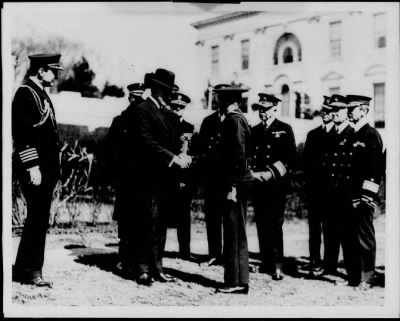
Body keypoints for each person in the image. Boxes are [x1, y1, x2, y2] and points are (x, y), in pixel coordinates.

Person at [129, 68, 191, 286]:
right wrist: (173, 158)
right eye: (165, 91)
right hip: (147, 176)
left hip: (165, 178)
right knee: (147, 222)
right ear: (155, 90)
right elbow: (145, 141)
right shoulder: (142, 110)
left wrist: (180, 158)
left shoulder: (169, 115)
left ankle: (157, 267)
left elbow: (174, 142)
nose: (169, 95)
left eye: (170, 91)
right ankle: (143, 269)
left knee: (161, 223)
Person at [12, 53, 64, 288]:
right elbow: (23, 135)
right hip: (36, 169)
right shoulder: (26, 93)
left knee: (38, 219)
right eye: (53, 70)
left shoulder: (40, 94)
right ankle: (31, 271)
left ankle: (25, 268)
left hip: (45, 169)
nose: (56, 75)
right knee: (37, 219)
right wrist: (32, 166)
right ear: (41, 71)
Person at [251, 93, 296, 281]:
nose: (263, 112)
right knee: (261, 223)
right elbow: (249, 156)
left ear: (275, 109)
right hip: (258, 185)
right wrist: (253, 173)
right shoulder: (254, 130)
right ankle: (265, 262)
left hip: (276, 185)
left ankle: (277, 265)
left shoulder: (284, 129)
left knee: (275, 225)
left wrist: (270, 173)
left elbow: (290, 158)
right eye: (260, 109)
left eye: (266, 109)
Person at [213, 84, 253, 294]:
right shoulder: (237, 119)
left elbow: (238, 156)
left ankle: (236, 281)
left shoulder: (234, 121)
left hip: (235, 183)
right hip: (235, 182)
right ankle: (238, 280)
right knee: (235, 231)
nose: (217, 102)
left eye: (220, 98)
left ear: (227, 100)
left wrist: (233, 186)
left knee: (234, 232)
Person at [105, 82, 146, 274]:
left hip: (143, 179)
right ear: (129, 97)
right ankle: (123, 259)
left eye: (140, 97)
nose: (136, 101)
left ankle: (138, 263)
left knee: (140, 222)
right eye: (133, 97)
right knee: (126, 223)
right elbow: (110, 149)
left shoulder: (147, 119)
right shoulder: (119, 121)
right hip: (126, 180)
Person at [321, 94, 361, 286]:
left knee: (349, 236)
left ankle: (354, 275)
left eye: (339, 110)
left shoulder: (354, 135)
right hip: (329, 193)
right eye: (333, 110)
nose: (334, 113)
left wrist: (356, 196)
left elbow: (359, 170)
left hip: (347, 194)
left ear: (347, 112)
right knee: (330, 232)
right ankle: (329, 267)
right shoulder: (328, 135)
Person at [346, 94, 384, 290]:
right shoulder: (353, 134)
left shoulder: (371, 135)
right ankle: (355, 276)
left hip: (364, 196)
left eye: (352, 108)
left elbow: (375, 170)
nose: (348, 112)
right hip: (350, 195)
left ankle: (367, 277)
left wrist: (366, 197)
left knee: (365, 237)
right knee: (352, 237)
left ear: (363, 110)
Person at [197, 84, 230, 266]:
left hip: (229, 177)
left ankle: (228, 256)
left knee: (229, 218)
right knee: (212, 217)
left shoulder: (237, 120)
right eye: (218, 96)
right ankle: (214, 254)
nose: (221, 100)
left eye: (224, 97)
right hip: (212, 177)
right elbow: (201, 148)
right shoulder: (208, 121)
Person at [163, 92, 197, 260]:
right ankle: (158, 251)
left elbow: (194, 151)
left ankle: (185, 251)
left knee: (184, 215)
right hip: (166, 174)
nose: (177, 110)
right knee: (162, 214)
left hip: (183, 176)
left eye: (181, 107)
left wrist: (190, 160)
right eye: (174, 107)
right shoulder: (163, 124)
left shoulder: (190, 128)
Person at [303, 96, 335, 274]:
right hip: (315, 191)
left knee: (330, 229)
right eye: (324, 110)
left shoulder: (340, 135)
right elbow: (306, 163)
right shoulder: (313, 135)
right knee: (314, 230)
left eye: (330, 111)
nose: (326, 114)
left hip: (332, 191)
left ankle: (329, 264)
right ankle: (314, 262)